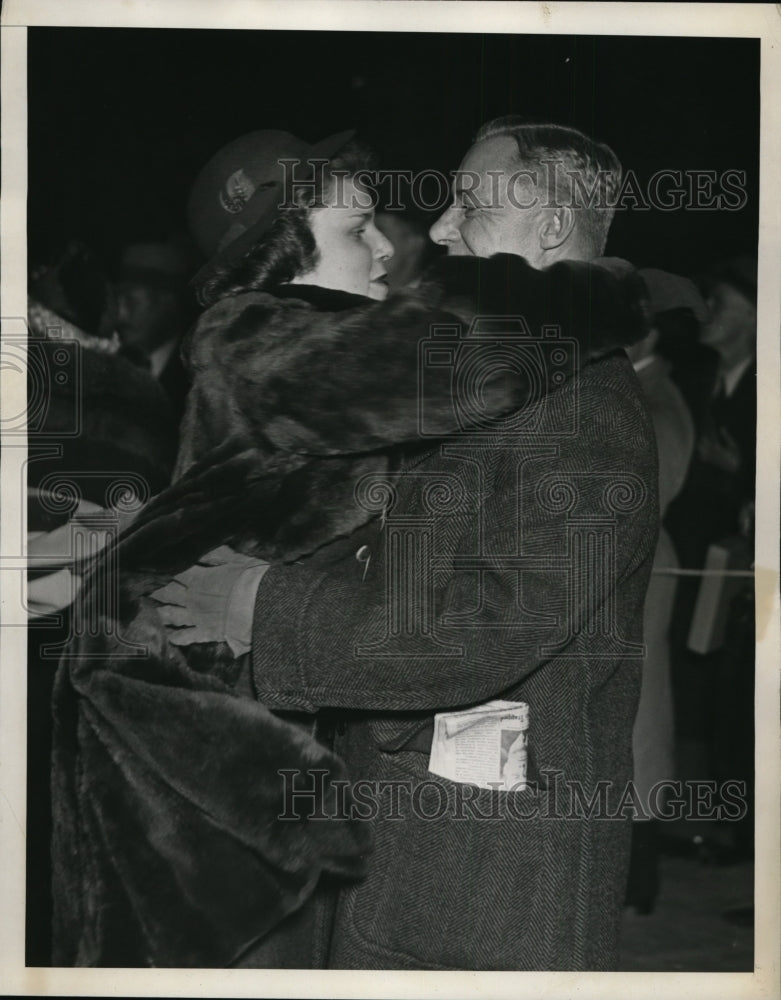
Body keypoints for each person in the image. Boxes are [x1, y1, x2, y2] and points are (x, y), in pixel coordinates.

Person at [50, 125, 652, 968]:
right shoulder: (292, 347)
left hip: (481, 878)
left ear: (548, 229)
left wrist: (270, 605)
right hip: (287, 810)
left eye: (467, 205)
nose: (432, 232)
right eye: (358, 229)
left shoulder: (580, 412)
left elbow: (483, 623)